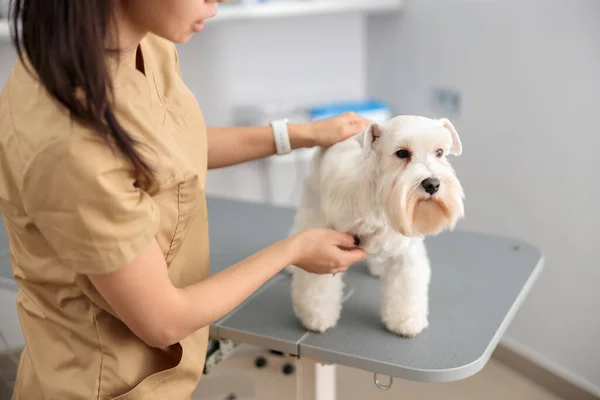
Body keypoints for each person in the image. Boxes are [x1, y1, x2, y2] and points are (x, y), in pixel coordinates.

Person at [0, 0, 370, 399]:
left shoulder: (142, 42)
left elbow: (168, 148)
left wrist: (300, 134)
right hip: (101, 384)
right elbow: (163, 320)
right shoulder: (72, 144)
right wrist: (293, 250)